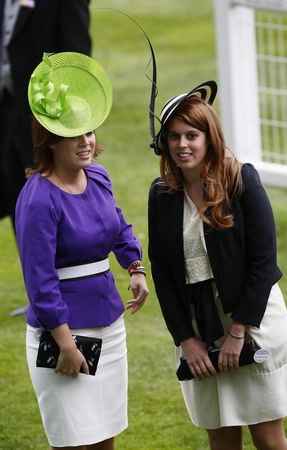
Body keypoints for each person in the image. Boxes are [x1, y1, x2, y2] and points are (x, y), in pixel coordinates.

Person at [15, 52, 149, 450]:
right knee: (73, 440)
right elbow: (39, 280)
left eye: (89, 132)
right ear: (50, 141)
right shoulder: (38, 198)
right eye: (74, 134)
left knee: (105, 438)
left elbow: (117, 223)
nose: (86, 142)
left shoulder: (98, 176)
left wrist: (135, 266)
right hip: (66, 335)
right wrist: (66, 345)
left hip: (109, 325)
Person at [148, 81, 287, 450]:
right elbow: (161, 272)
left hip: (251, 319)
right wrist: (186, 340)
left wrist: (239, 331)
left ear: (209, 136)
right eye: (173, 136)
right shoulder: (161, 194)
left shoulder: (241, 178)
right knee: (221, 440)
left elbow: (263, 263)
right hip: (199, 323)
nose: (182, 145)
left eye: (191, 135)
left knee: (269, 439)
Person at [0, 0, 91, 228]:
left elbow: (75, 60)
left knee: (55, 208)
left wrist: (67, 127)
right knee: (18, 207)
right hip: (4, 113)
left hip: (45, 120)